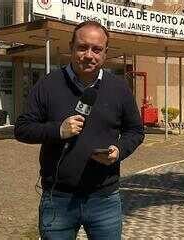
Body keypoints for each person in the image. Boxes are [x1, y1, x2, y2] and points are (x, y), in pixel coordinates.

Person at [14, 20, 144, 239]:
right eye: (82, 47)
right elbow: (22, 129)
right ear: (71, 47)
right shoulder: (48, 85)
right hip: (58, 199)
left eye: (96, 49)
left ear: (105, 53)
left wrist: (119, 150)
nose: (89, 55)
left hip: (105, 199)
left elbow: (136, 131)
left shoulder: (119, 88)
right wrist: (58, 131)